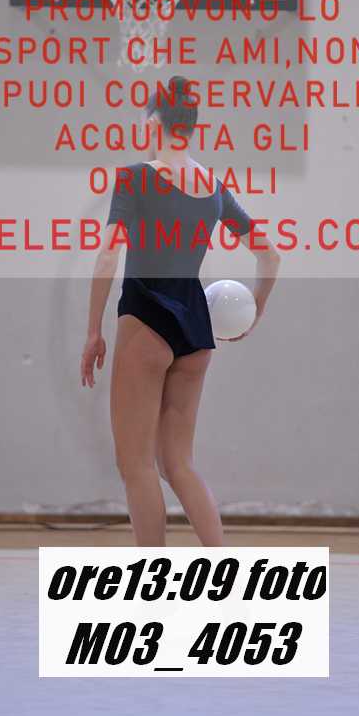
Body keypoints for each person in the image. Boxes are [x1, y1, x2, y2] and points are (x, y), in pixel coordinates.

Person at [81, 76, 280, 546]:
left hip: (146, 317)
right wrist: (254, 310)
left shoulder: (135, 177)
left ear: (153, 122)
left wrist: (93, 331)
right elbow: (270, 255)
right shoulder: (214, 187)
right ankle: (225, 567)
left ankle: (153, 580)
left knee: (136, 465)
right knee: (178, 463)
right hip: (196, 325)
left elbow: (108, 255)